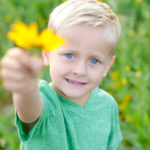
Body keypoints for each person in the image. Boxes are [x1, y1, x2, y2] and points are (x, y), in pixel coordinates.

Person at [0, 0, 123, 149]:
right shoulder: (43, 99)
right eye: (69, 55)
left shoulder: (108, 105)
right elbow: (28, 109)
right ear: (46, 54)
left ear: (107, 66)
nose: (80, 71)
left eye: (95, 61)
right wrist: (26, 88)